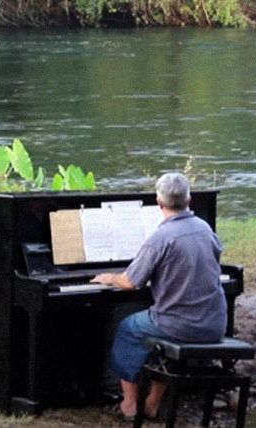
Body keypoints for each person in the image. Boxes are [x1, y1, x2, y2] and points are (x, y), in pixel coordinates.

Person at [91, 172, 227, 420]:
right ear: (190, 200)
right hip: (214, 323)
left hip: (180, 325)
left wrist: (110, 277)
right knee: (161, 333)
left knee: (128, 328)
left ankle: (129, 405)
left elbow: (131, 282)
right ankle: (152, 403)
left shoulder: (160, 237)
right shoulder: (205, 229)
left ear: (158, 202)